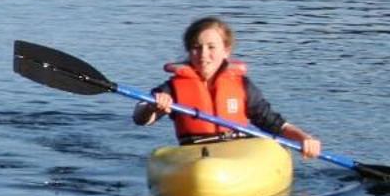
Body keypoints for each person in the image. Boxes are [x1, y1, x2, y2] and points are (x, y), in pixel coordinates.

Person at [132, 16, 321, 157]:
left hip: (236, 153)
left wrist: (304, 138)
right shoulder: (173, 87)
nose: (203, 54)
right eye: (196, 47)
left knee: (275, 146)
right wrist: (152, 107)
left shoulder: (241, 85)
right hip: (195, 156)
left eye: (211, 47)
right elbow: (140, 118)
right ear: (189, 51)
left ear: (226, 51)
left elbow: (274, 123)